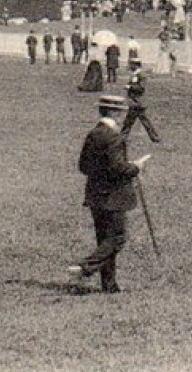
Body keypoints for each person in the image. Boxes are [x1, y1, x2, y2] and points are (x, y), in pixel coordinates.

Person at [69, 95, 148, 294]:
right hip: (113, 196)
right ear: (116, 113)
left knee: (105, 240)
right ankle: (86, 267)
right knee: (118, 238)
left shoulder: (93, 134)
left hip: (95, 195)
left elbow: (83, 166)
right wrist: (136, 167)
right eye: (122, 112)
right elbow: (118, 168)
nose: (124, 116)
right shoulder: (113, 137)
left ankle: (110, 285)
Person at [121, 62, 163, 144]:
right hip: (136, 102)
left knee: (129, 122)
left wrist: (129, 87)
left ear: (136, 65)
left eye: (131, 65)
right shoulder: (136, 74)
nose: (130, 67)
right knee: (141, 121)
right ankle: (155, 137)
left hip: (137, 102)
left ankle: (122, 137)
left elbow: (141, 88)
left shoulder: (141, 75)